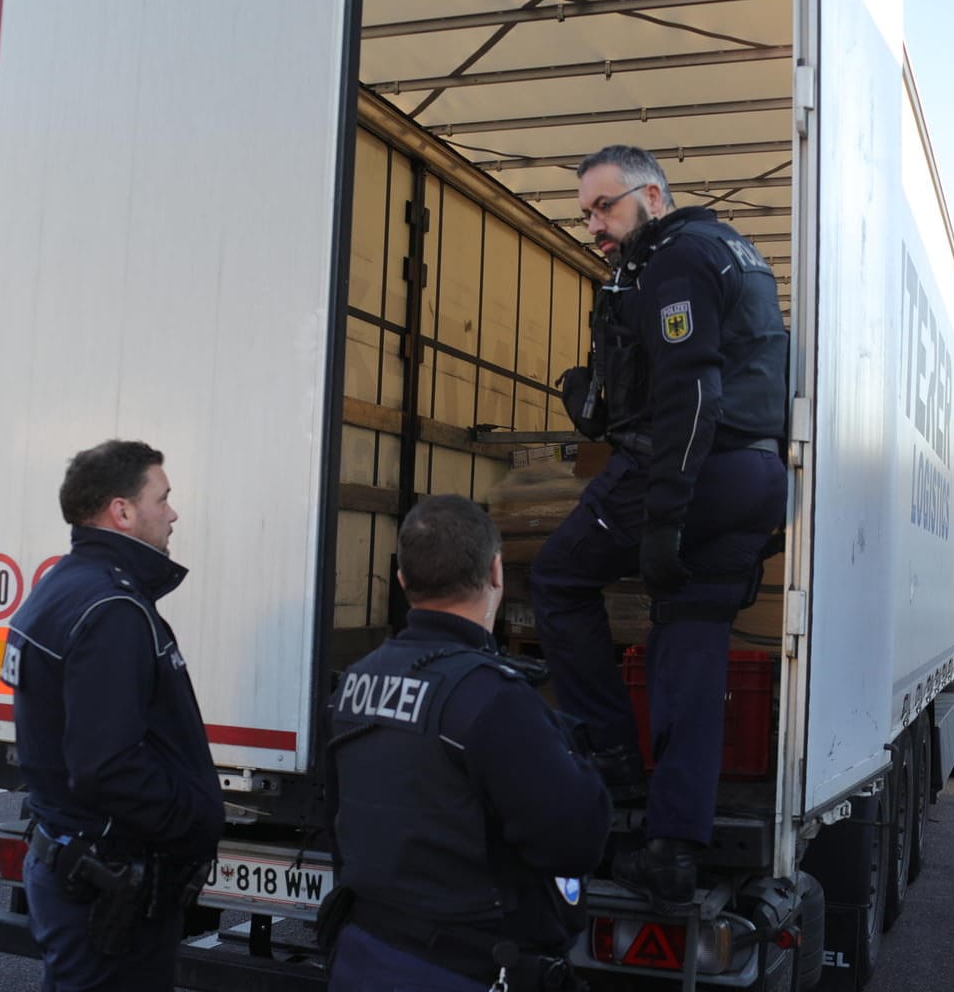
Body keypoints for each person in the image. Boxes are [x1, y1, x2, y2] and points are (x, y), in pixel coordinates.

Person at [534, 144, 789, 909]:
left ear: (651, 193)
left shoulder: (676, 260)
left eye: (604, 207)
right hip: (754, 477)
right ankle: (675, 848)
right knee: (690, 650)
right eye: (585, 214)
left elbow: (692, 396)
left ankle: (610, 760)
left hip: (690, 472)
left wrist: (664, 519)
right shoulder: (732, 253)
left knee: (556, 577)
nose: (594, 226)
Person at [325, 495, 611, 992]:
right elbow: (576, 840)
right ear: (497, 572)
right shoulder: (491, 697)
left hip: (366, 955)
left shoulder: (354, 682)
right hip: (462, 968)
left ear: (402, 580)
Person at [1, 440, 225, 990]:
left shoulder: (63, 585)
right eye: (162, 498)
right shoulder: (112, 610)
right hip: (107, 883)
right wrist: (194, 823)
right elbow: (107, 765)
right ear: (121, 511)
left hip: (77, 868)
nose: (172, 514)